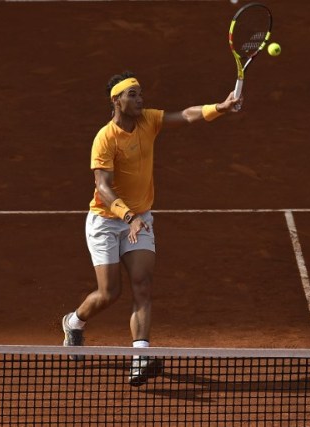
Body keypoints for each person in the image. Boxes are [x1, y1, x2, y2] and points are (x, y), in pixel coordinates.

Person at [62, 71, 242, 386]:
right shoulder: (105, 138)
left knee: (142, 284)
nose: (140, 100)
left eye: (141, 94)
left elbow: (185, 115)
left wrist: (221, 107)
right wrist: (128, 217)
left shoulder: (148, 120)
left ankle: (140, 357)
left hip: (140, 217)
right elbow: (103, 187)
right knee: (109, 292)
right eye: (133, 94)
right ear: (116, 100)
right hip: (106, 222)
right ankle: (74, 323)